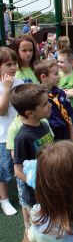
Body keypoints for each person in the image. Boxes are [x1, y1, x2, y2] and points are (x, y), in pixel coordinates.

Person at [11, 83, 54, 242]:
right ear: (30, 112)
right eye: (45, 104)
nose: (50, 105)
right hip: (34, 194)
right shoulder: (22, 137)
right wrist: (35, 182)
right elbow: (17, 169)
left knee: (52, 222)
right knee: (36, 230)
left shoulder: (44, 126)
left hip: (52, 188)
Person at [0, 47, 24, 216]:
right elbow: (2, 111)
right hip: (2, 136)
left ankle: (26, 193)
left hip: (20, 133)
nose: (13, 67)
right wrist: (7, 88)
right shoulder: (5, 85)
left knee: (22, 165)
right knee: (4, 169)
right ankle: (4, 199)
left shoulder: (20, 83)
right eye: (8, 64)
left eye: (15, 63)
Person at [34, 59, 73, 140]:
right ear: (43, 77)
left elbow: (68, 116)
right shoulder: (36, 97)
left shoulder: (61, 93)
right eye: (56, 74)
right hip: (47, 133)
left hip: (64, 132)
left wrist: (72, 135)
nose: (59, 76)